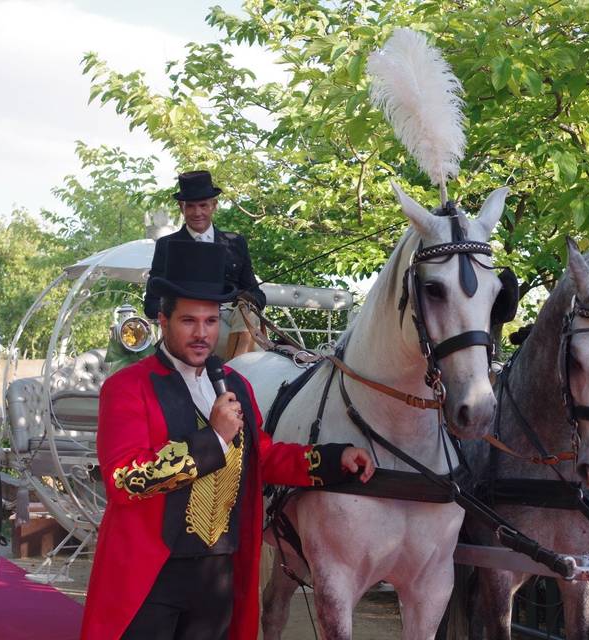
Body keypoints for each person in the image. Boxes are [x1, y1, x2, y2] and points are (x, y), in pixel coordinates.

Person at [82, 240, 375, 640]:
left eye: (211, 321)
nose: (202, 334)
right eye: (189, 321)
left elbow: (264, 457)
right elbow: (124, 480)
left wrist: (331, 460)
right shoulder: (128, 388)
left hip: (218, 577)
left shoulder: (235, 384)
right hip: (149, 579)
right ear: (163, 321)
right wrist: (214, 439)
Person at [144, 170, 265, 358]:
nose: (197, 212)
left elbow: (258, 295)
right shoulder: (167, 246)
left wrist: (245, 299)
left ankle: (238, 367)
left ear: (214, 205)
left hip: (232, 319)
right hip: (193, 324)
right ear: (181, 207)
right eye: (190, 206)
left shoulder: (235, 242)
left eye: (203, 205)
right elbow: (151, 303)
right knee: (258, 353)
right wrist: (177, 313)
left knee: (248, 313)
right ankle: (239, 373)